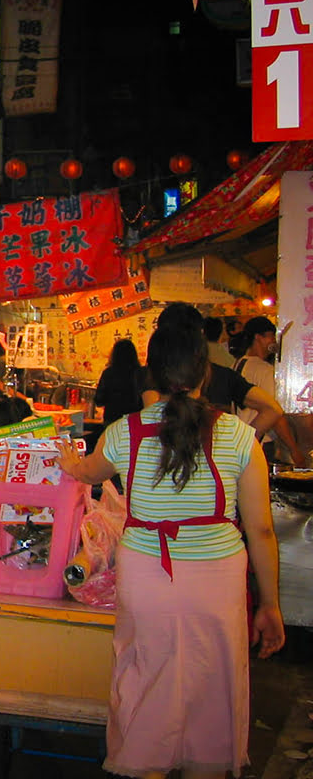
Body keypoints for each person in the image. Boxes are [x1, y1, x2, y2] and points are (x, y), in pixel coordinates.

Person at [56, 323, 284, 778]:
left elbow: (87, 472)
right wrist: (272, 605)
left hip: (147, 581)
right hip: (218, 583)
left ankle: (144, 762)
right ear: (205, 371)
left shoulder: (124, 433)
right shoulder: (239, 437)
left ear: (153, 373)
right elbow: (260, 530)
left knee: (145, 679)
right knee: (212, 686)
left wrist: (69, 462)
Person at [145, 304, 306, 469]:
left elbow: (150, 419)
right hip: (215, 468)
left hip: (161, 467)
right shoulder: (222, 374)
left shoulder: (152, 375)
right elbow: (273, 409)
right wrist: (242, 444)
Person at [234, 316, 296, 464]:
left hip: (239, 440)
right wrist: (294, 450)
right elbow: (275, 414)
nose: (274, 341)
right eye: (270, 336)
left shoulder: (238, 363)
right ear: (258, 337)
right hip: (259, 443)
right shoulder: (264, 370)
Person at [93, 339, 144, 426]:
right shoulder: (141, 373)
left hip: (112, 421)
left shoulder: (109, 373)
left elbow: (99, 400)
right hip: (135, 421)